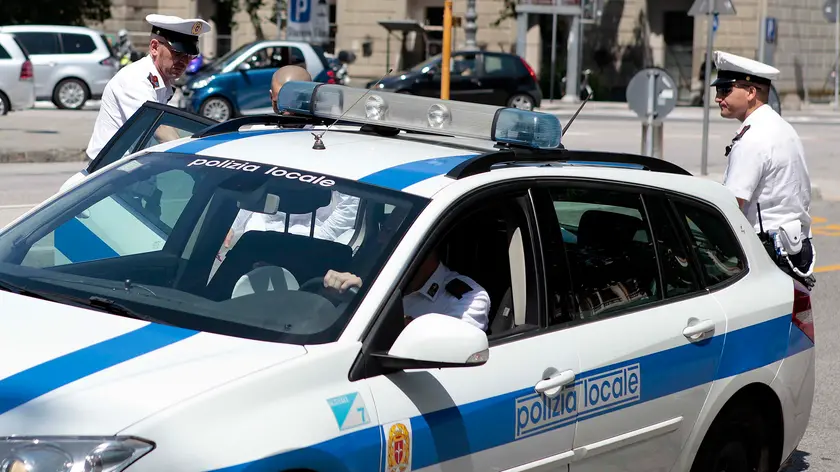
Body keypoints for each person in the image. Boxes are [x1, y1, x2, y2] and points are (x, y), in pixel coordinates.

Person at [221, 65, 360, 251]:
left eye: (296, 104)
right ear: (271, 98)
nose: (287, 113)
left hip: (315, 236)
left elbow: (350, 205)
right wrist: (232, 226)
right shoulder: (256, 138)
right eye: (281, 104)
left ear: (311, 98)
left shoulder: (336, 142)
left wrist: (321, 238)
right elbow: (248, 193)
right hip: (259, 234)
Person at [711, 50, 816, 287]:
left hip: (764, 252)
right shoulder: (780, 127)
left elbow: (731, 206)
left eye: (726, 90)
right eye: (718, 90)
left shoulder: (753, 139)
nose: (718, 98)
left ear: (750, 92)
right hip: (792, 246)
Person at [85, 14, 211, 160]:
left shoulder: (161, 81)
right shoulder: (135, 79)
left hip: (131, 168)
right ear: (154, 47)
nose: (184, 61)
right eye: (177, 53)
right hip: (107, 173)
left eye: (189, 55)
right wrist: (194, 159)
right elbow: (159, 129)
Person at [323, 245, 492, 331]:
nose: (383, 242)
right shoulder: (370, 279)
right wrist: (330, 296)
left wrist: (370, 303)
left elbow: (456, 350)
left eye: (394, 236)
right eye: (386, 231)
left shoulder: (468, 298)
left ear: (425, 250)